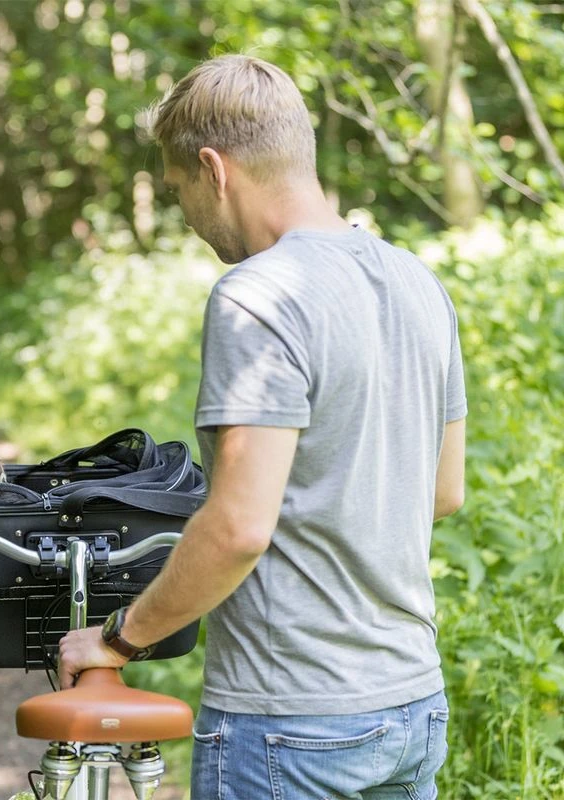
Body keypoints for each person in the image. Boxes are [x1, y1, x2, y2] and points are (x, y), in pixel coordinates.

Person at [58, 54, 467, 800]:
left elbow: (241, 526)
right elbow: (442, 492)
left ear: (213, 169)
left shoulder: (257, 294)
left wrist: (118, 638)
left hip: (289, 722)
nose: (186, 215)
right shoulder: (420, 284)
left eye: (179, 190)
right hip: (411, 704)